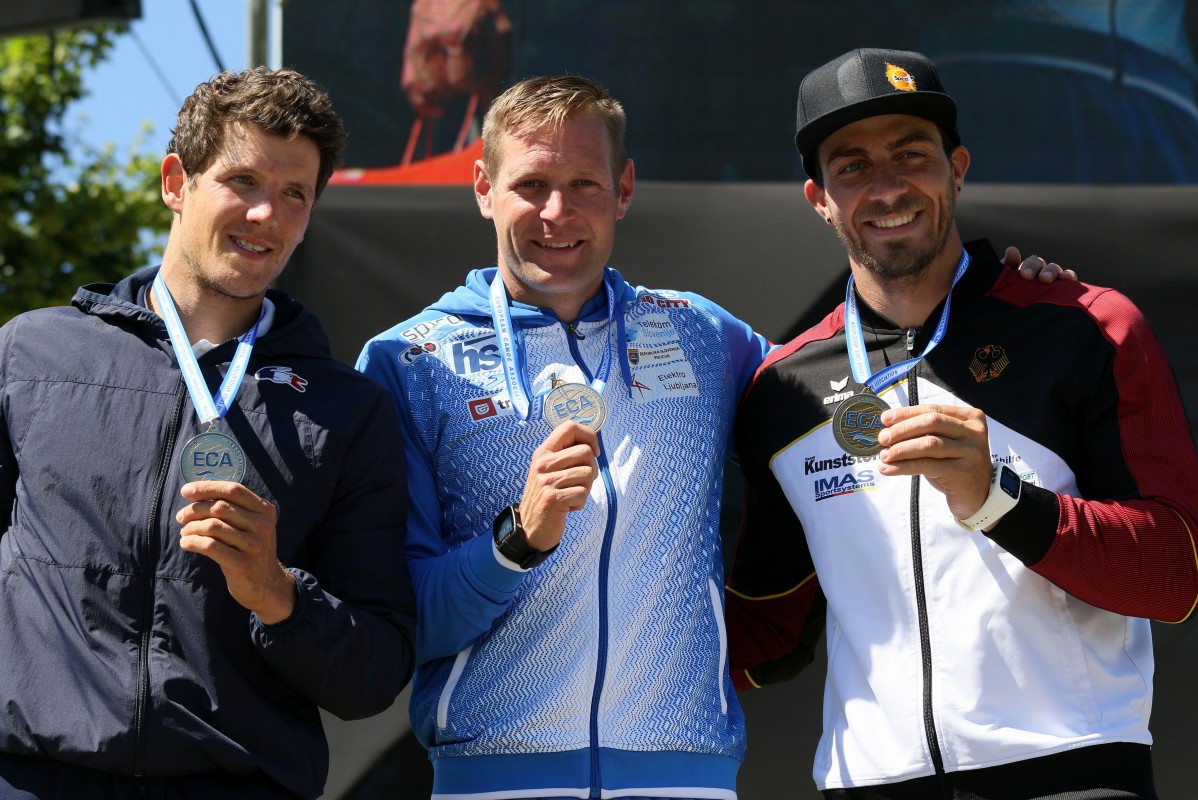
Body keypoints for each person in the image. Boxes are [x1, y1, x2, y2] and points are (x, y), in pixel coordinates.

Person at [356, 72, 1065, 798]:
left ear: (624, 189)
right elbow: (399, 622)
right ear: (484, 188)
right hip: (495, 780)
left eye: (585, 184)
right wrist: (516, 541)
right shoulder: (410, 362)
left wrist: (996, 300)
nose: (557, 212)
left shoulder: (699, 334)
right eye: (531, 185)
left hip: (688, 774)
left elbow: (847, 373)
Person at [725, 47, 1198, 799]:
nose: (887, 187)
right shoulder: (783, 390)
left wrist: (998, 499)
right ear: (819, 197)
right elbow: (770, 628)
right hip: (871, 781)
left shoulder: (1085, 328)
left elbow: (1174, 577)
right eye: (853, 166)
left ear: (958, 168)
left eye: (911, 154)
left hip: (1070, 772)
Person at [0, 68, 415, 799]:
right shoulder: (30, 358)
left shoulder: (348, 410)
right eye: (242, 180)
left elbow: (374, 675)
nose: (266, 215)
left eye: (295, 194)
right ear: (176, 182)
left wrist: (278, 596)